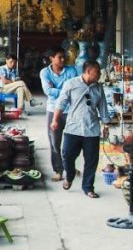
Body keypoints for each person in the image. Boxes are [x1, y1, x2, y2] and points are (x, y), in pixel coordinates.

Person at [50, 61, 108, 198]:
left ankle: (88, 188)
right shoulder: (71, 84)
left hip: (92, 129)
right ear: (88, 71)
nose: (99, 75)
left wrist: (106, 125)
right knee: (67, 155)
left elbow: (103, 108)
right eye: (97, 72)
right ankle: (69, 176)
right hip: (73, 128)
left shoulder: (98, 88)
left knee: (91, 161)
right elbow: (61, 103)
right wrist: (55, 120)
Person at [40, 48, 80, 182]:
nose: (63, 60)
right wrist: (65, 90)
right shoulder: (44, 72)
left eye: (64, 57)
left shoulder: (72, 70)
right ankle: (58, 170)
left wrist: (57, 89)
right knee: (54, 142)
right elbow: (48, 91)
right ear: (51, 58)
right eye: (59, 57)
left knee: (73, 141)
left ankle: (70, 167)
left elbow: (75, 89)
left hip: (71, 110)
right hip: (53, 110)